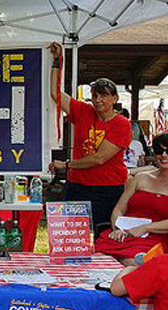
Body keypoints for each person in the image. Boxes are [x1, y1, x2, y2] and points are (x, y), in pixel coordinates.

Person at [47, 42, 132, 230]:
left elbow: (99, 158)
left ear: (115, 99)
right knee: (72, 234)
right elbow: (55, 94)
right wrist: (56, 61)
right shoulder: (84, 111)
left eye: (103, 96)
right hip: (78, 185)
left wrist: (66, 164)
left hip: (107, 188)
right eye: (94, 95)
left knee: (103, 235)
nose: (98, 100)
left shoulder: (121, 124)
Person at [95, 133, 168, 265]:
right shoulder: (141, 177)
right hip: (124, 235)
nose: (163, 155)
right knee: (97, 259)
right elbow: (119, 209)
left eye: (167, 151)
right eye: (159, 151)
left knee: (132, 262)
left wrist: (146, 228)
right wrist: (117, 228)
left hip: (155, 239)